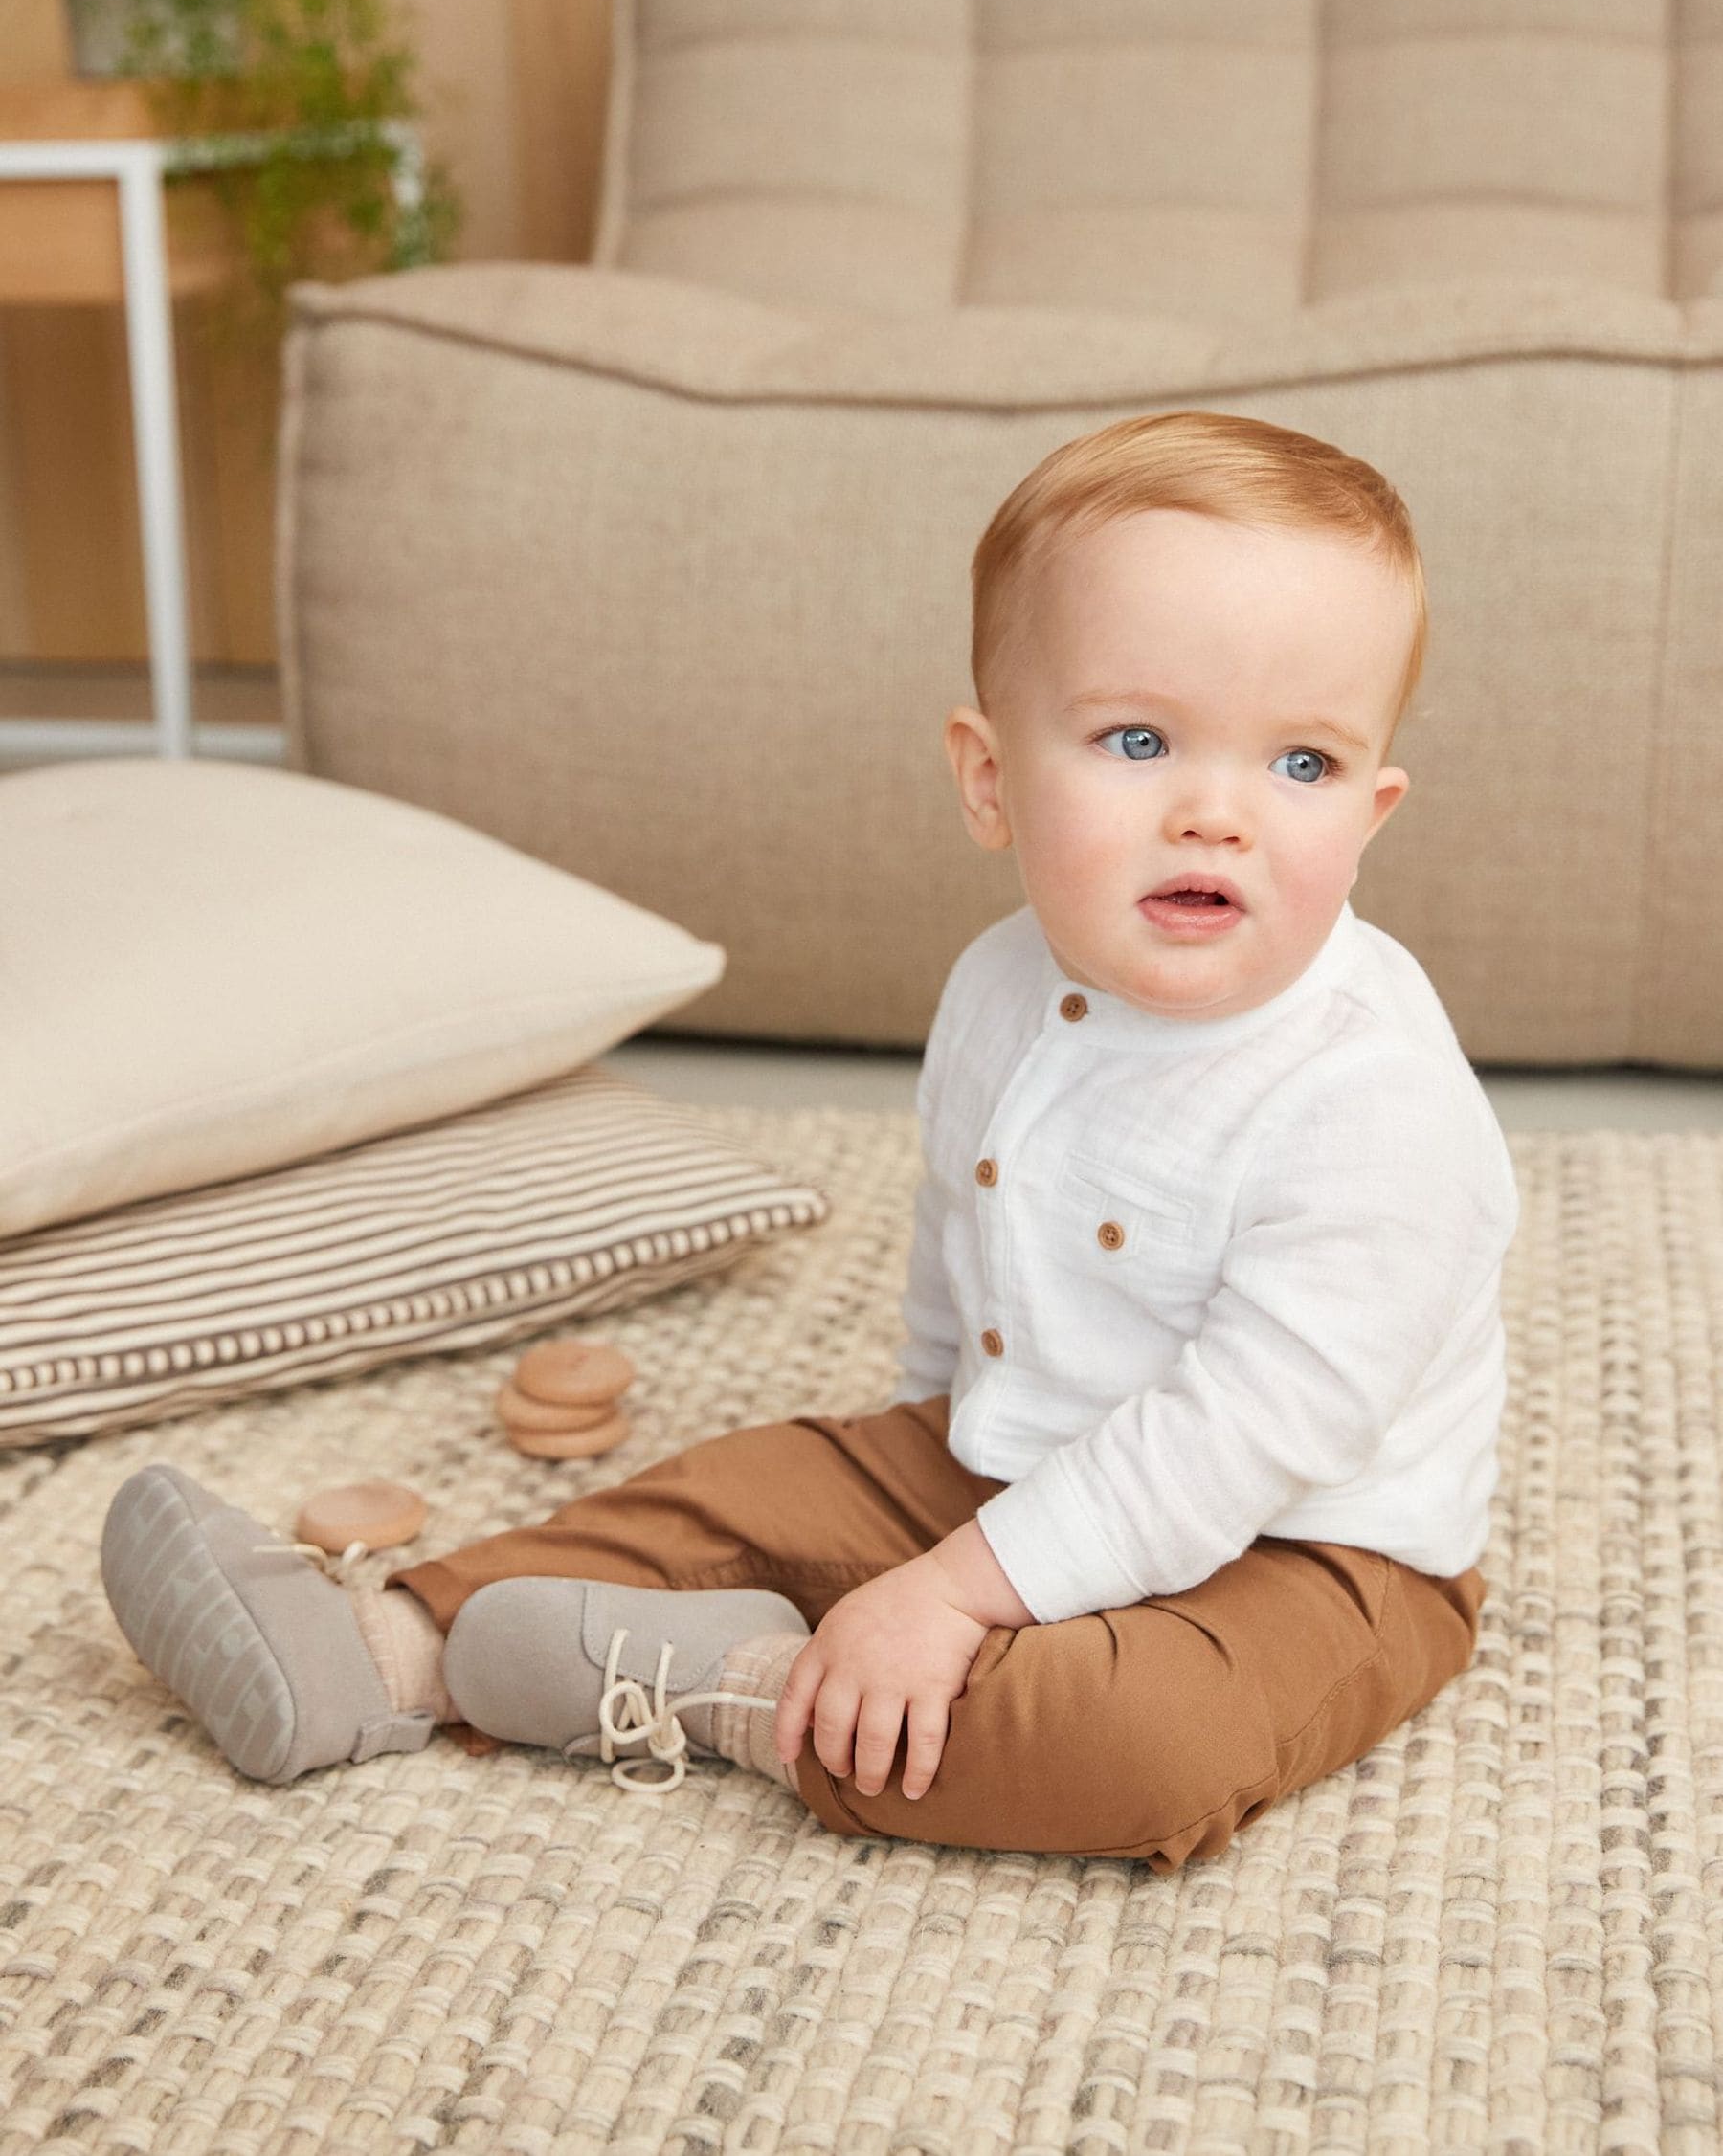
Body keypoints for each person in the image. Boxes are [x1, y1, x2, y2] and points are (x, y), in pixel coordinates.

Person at [100, 409, 1518, 1872]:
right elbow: (967, 1227)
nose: (1216, 813)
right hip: (1020, 1453)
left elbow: (1244, 1437)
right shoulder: (1000, 986)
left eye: (1302, 765)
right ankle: (379, 1646)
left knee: (1139, 1749)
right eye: (1139, 740)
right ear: (989, 778)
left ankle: (741, 1691)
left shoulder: (1374, 1107)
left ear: (1372, 812)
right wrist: (899, 1467)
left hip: (1311, 1550)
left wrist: (951, 1594)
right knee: (745, 1491)